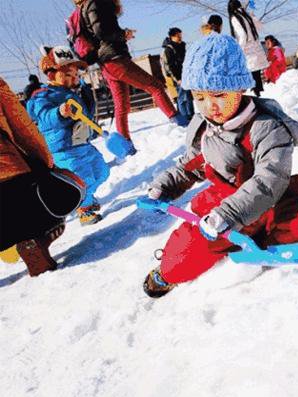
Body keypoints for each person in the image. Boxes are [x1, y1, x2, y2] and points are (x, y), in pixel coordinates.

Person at [142, 34, 298, 297]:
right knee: (189, 249)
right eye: (199, 97)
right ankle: (166, 273)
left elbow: (270, 179)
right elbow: (192, 166)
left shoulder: (266, 127)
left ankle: (260, 241)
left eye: (219, 95)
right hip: (222, 204)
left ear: (240, 88)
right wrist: (164, 186)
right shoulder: (203, 128)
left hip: (267, 199)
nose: (210, 106)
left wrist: (233, 215)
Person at [75, 0, 186, 152]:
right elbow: (102, 31)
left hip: (106, 63)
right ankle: (181, 124)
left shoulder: (83, 8)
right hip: (114, 58)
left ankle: (126, 147)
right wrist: (123, 34)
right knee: (155, 87)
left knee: (122, 105)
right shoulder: (95, 2)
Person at [27, 46, 109, 225]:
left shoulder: (74, 92)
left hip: (82, 143)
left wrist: (94, 130)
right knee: (83, 179)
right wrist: (59, 112)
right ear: (51, 75)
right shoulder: (42, 96)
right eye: (67, 75)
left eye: (75, 74)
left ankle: (82, 198)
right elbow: (44, 117)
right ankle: (84, 210)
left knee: (102, 171)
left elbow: (85, 116)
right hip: (63, 148)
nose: (74, 78)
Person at [0, 77, 69, 276]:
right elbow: (21, 125)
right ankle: (34, 240)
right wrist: (46, 162)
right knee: (54, 200)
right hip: (10, 175)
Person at [228, 0, 269, 97]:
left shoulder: (235, 18)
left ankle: (256, 103)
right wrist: (253, 15)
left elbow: (242, 35)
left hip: (248, 51)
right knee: (256, 77)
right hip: (256, 49)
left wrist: (239, 50)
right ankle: (259, 97)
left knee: (250, 78)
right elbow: (260, 27)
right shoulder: (246, 15)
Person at [162, 27, 194, 123]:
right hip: (178, 77)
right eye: (177, 36)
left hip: (186, 75)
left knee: (188, 96)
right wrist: (177, 79)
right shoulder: (169, 49)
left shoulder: (182, 46)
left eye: (180, 35)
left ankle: (191, 115)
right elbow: (170, 66)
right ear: (172, 37)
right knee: (181, 97)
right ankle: (184, 117)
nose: (180, 37)